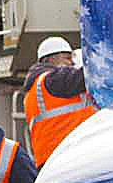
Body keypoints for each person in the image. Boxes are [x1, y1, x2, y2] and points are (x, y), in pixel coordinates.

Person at [21, 35, 96, 167]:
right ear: (50, 59)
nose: (72, 63)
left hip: (51, 160)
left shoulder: (35, 89)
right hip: (66, 157)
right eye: (67, 58)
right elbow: (92, 75)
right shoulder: (53, 80)